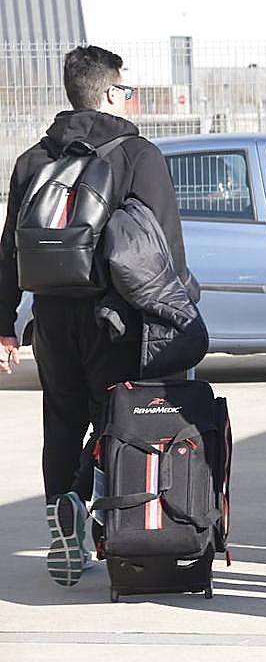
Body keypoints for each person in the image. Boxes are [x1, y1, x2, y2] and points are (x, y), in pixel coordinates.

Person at [0, 45, 189, 586]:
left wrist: (3, 324)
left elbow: (9, 250)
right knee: (119, 422)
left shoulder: (33, 160)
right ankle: (107, 522)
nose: (129, 98)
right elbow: (162, 246)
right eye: (125, 89)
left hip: (51, 319)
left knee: (62, 421)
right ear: (109, 93)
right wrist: (179, 311)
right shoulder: (137, 156)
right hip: (117, 319)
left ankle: (62, 509)